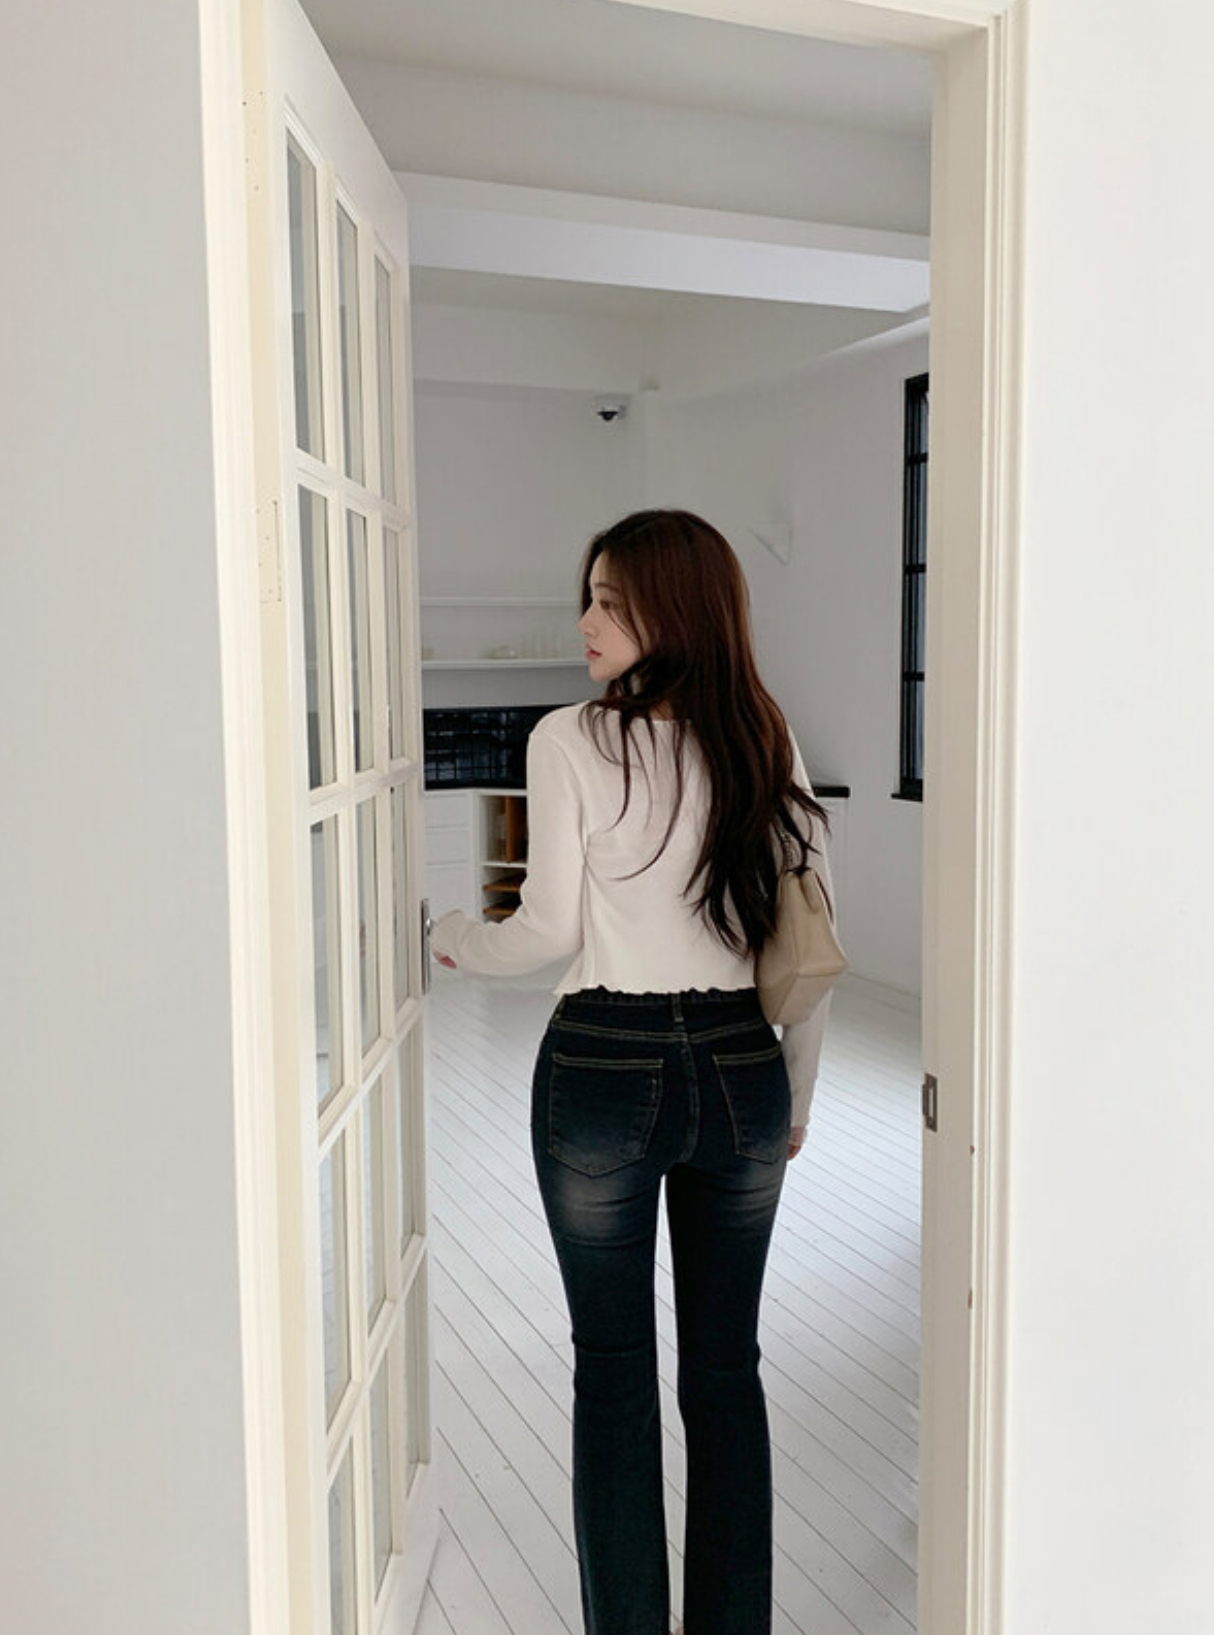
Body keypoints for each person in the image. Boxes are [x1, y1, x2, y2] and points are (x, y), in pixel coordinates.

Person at [429, 509, 836, 1635]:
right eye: (589, 595)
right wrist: (795, 1097)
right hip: (741, 1072)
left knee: (611, 1373)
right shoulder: (763, 734)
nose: (586, 620)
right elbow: (812, 944)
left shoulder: (568, 739)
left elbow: (548, 931)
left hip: (603, 1069)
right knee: (726, 1372)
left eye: (612, 600)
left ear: (676, 609)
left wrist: (452, 939)